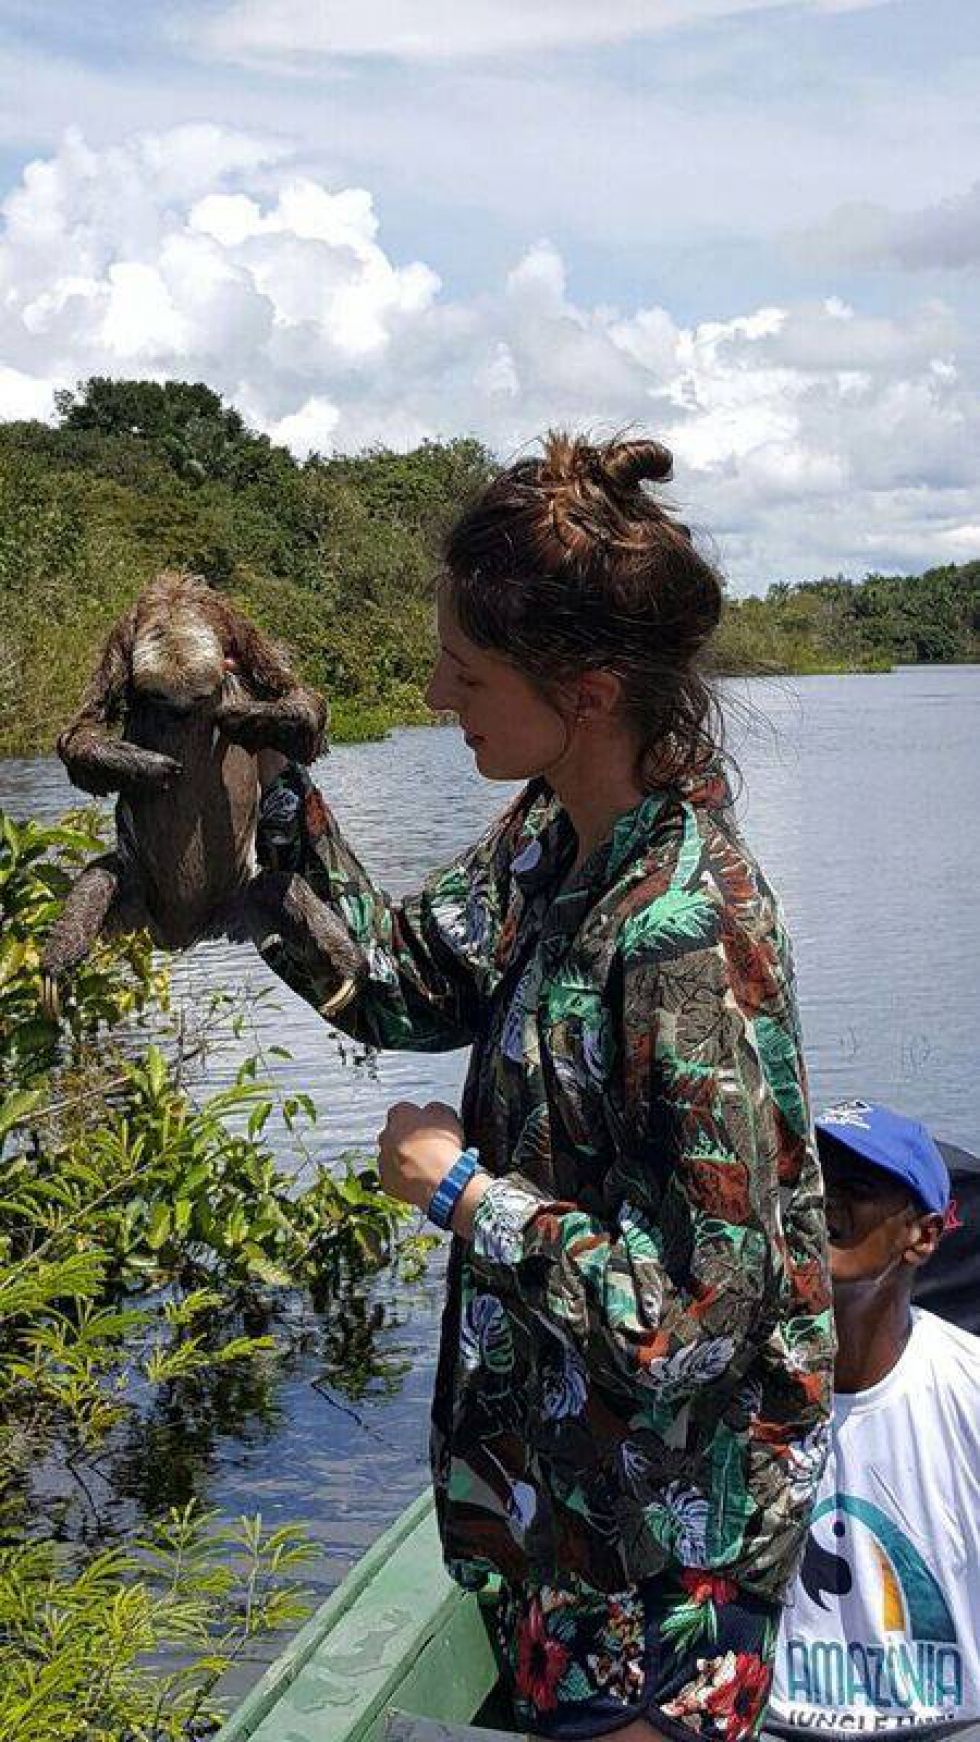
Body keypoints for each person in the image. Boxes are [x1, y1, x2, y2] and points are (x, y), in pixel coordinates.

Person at [257, 433, 834, 1742]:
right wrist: (267, 780)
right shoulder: (558, 836)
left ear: (582, 689)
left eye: (465, 670)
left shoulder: (684, 934)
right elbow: (398, 980)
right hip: (563, 1533)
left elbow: (697, 1319)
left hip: (663, 1577)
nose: (434, 688)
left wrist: (465, 1190)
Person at [766, 1102, 980, 1739]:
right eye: (806, 1183)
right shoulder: (725, 1386)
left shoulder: (968, 1391)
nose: (821, 1204)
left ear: (925, 1235)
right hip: (773, 1727)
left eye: (854, 1189)